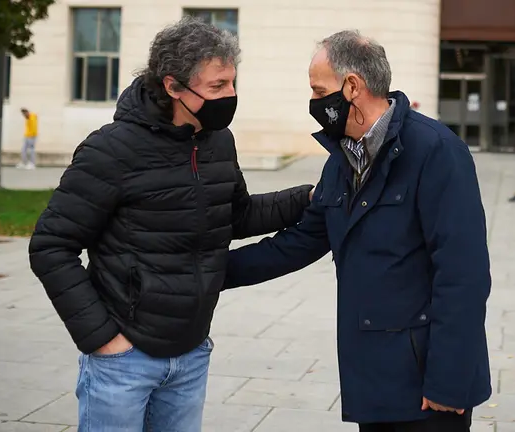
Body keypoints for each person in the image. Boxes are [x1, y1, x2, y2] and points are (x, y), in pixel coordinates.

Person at [28, 17, 313, 432]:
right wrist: (103, 340)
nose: (230, 96)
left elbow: (236, 215)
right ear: (173, 86)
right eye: (217, 87)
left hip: (193, 352)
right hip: (123, 360)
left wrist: (308, 199)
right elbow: (51, 245)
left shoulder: (218, 141)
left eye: (232, 83)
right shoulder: (111, 149)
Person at [224, 30, 492, 432]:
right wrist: (208, 272)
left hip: (428, 387)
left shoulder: (436, 151)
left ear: (352, 87)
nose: (314, 103)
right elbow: (300, 241)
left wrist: (449, 382)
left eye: (318, 90)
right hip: (374, 380)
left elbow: (463, 276)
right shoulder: (342, 158)